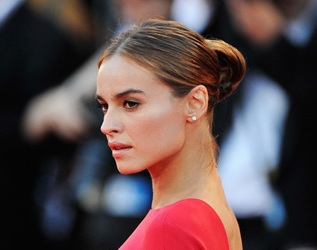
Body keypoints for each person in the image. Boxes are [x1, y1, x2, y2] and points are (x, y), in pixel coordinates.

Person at [95, 19, 246, 249]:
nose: (107, 125)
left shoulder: (172, 225)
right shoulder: (210, 209)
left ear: (195, 103)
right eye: (105, 106)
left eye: (130, 103)